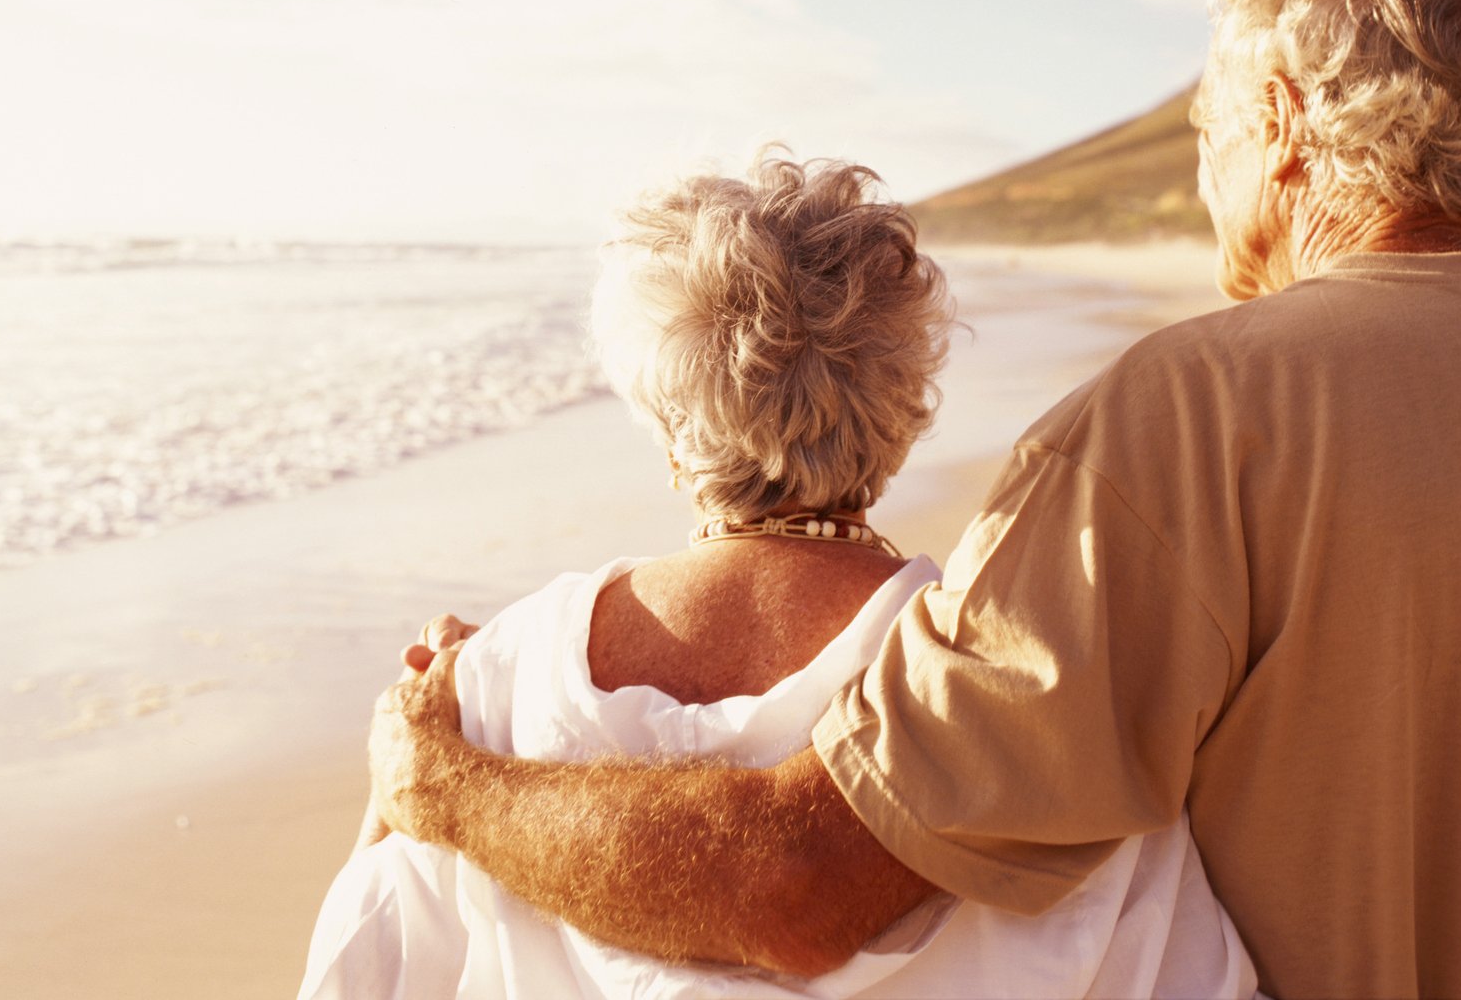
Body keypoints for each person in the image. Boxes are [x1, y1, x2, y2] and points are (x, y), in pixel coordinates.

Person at [366, 0, 1461, 998]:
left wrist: (453, 789)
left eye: (1208, 129)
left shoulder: (1195, 418)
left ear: (1282, 114)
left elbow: (805, 887)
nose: (1209, 173)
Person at [303, 154, 1256, 997]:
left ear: (668, 423)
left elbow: (361, 969)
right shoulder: (1015, 690)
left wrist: (430, 745)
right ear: (899, 412)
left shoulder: (481, 690)